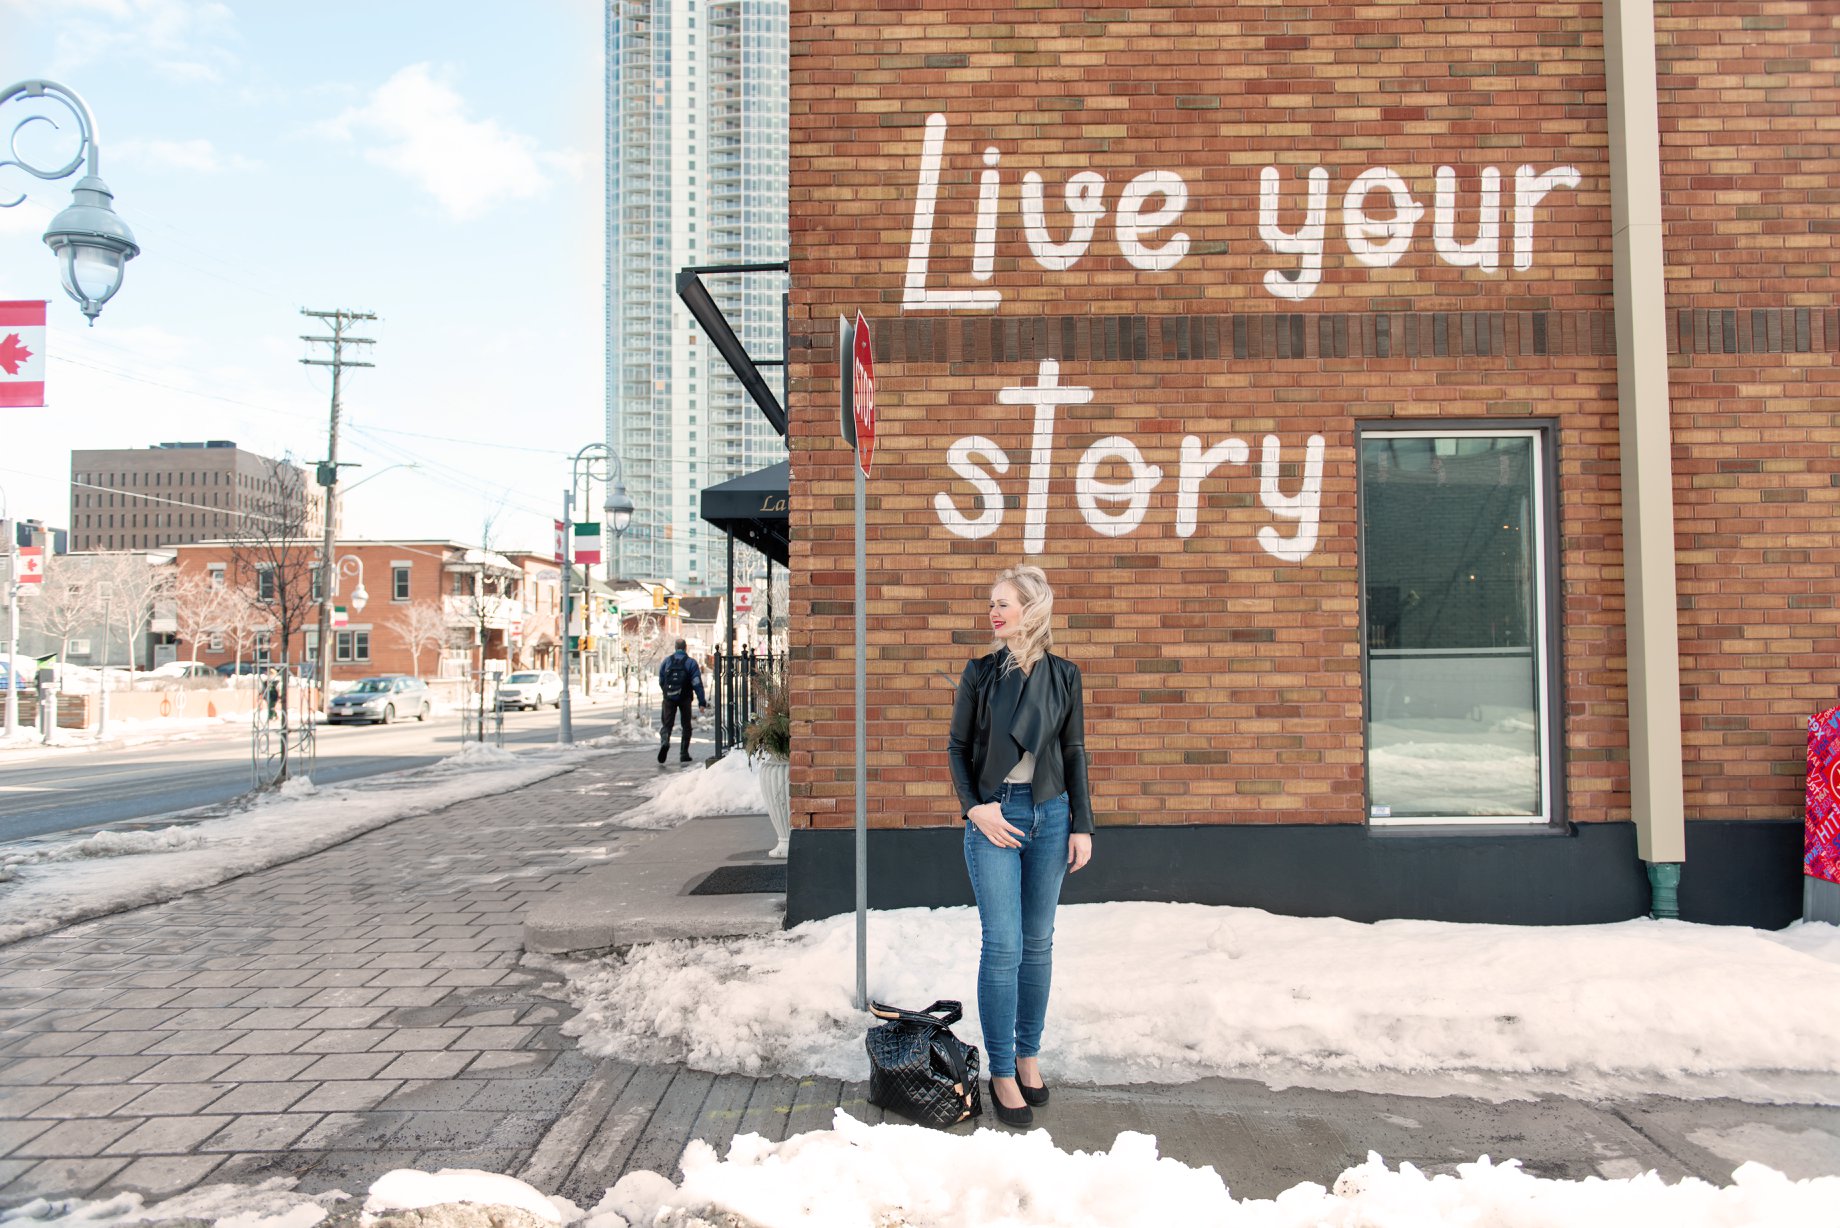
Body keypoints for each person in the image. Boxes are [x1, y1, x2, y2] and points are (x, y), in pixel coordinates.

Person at [948, 564, 1095, 1129]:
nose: (994, 612)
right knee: (1004, 945)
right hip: (995, 816)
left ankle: (1028, 1057)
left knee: (1038, 944)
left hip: (1051, 815)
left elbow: (1075, 751)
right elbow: (957, 746)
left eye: (1004, 603)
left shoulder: (1064, 675)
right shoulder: (981, 673)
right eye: (991, 604)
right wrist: (975, 808)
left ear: (1031, 610)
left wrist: (1082, 824)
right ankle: (1002, 1071)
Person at [657, 639, 709, 764]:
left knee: (667, 723)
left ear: (675, 648)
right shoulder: (690, 663)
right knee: (686, 725)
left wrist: (667, 692)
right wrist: (701, 702)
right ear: (685, 648)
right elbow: (696, 683)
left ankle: (665, 741)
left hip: (669, 697)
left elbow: (661, 680)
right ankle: (684, 753)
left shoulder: (667, 661)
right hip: (685, 698)